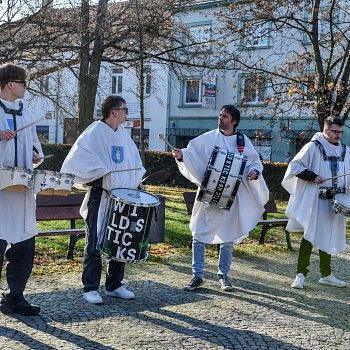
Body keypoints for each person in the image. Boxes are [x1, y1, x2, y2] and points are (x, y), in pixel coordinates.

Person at [172, 105, 269, 291]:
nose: (221, 118)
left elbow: (254, 161)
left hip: (231, 195)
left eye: (225, 116)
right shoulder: (209, 138)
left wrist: (254, 172)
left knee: (227, 237)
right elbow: (192, 152)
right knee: (199, 233)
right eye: (220, 115)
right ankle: (197, 276)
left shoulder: (242, 141)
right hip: (209, 192)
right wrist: (182, 156)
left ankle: (223, 276)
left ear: (234, 121)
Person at [61, 95, 145, 304]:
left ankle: (114, 284)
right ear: (114, 112)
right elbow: (75, 161)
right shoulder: (94, 132)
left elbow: (134, 163)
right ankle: (90, 286)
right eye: (124, 109)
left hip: (122, 197)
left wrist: (135, 181)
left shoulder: (123, 134)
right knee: (95, 241)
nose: (127, 113)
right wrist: (101, 172)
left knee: (120, 239)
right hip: (101, 195)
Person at [282, 117, 349, 289]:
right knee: (309, 236)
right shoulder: (313, 147)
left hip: (335, 202)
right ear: (326, 131)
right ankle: (300, 275)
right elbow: (294, 166)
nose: (338, 136)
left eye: (341, 132)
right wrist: (313, 177)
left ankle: (326, 274)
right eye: (335, 132)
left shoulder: (346, 151)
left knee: (328, 235)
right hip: (315, 200)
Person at [0, 63, 43, 316]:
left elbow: (35, 144)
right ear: (10, 84)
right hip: (0, 192)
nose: (26, 87)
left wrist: (37, 155)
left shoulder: (27, 112)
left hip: (22, 190)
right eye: (23, 83)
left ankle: (14, 298)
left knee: (25, 246)